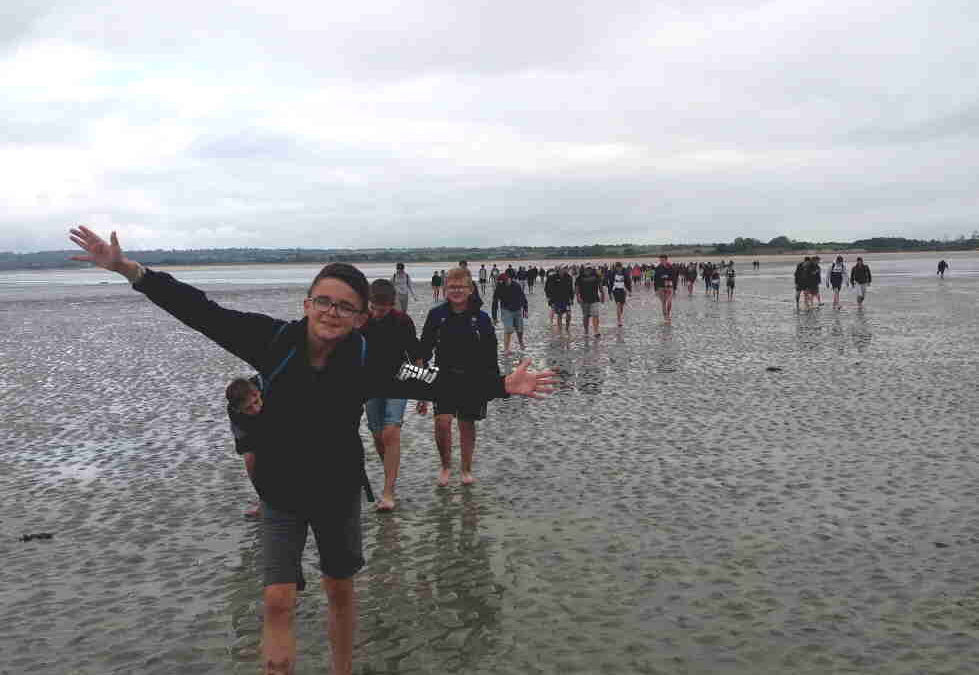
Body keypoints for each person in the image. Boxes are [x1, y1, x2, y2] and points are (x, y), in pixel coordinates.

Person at [68, 226, 555, 675]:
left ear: (361, 316)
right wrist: (129, 269)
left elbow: (433, 380)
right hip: (280, 488)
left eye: (344, 306)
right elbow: (200, 311)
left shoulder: (368, 359)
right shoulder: (273, 340)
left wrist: (501, 385)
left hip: (338, 489)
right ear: (306, 304)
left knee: (339, 592)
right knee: (277, 600)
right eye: (322, 301)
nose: (331, 312)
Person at [417, 267, 500, 487]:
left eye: (461, 287)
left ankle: (466, 468)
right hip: (443, 376)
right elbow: (424, 350)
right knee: (442, 423)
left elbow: (491, 352)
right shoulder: (437, 315)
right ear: (445, 289)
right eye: (452, 287)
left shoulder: (481, 318)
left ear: (470, 289)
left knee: (466, 423)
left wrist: (494, 383)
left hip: (473, 378)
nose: (456, 291)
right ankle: (445, 466)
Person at [361, 279, 420, 512]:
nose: (376, 313)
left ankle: (388, 492)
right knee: (378, 436)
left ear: (392, 304)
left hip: (399, 382)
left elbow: (415, 356)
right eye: (373, 307)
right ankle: (390, 473)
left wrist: (423, 394)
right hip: (369, 385)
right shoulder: (361, 321)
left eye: (382, 309)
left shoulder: (403, 321)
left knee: (391, 431)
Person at [226, 376, 263, 518]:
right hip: (251, 429)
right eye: (248, 408)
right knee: (250, 459)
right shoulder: (236, 416)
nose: (256, 409)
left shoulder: (267, 385)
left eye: (256, 402)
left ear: (258, 393)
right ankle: (264, 501)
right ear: (239, 409)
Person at [491, 273, 529, 353]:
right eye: (504, 282)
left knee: (520, 329)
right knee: (508, 329)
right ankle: (506, 349)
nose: (506, 282)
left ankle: (521, 342)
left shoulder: (516, 285)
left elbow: (523, 297)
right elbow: (495, 302)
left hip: (517, 310)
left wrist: (525, 310)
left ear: (509, 278)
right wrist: (494, 317)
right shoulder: (499, 287)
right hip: (506, 310)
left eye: (507, 280)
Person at [575, 265, 605, 336]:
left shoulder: (596, 276)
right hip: (584, 300)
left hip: (594, 299)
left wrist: (602, 294)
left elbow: (600, 286)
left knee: (595, 315)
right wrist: (577, 297)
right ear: (584, 269)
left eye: (589, 269)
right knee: (586, 316)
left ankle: (596, 331)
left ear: (592, 269)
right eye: (587, 269)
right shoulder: (580, 277)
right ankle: (586, 330)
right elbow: (577, 288)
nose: (588, 270)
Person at [607, 261, 632, 326]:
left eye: (619, 267)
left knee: (622, 306)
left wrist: (630, 291)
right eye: (617, 267)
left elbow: (628, 282)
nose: (618, 269)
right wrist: (609, 293)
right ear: (615, 267)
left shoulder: (625, 273)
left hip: (623, 290)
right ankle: (619, 321)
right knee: (618, 304)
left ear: (621, 267)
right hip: (616, 290)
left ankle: (620, 316)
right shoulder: (613, 273)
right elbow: (610, 283)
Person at [653, 254, 675, 321]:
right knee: (663, 302)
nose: (661, 261)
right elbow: (655, 279)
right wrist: (655, 289)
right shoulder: (658, 268)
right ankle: (665, 316)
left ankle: (668, 313)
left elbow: (674, 277)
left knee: (669, 301)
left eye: (663, 260)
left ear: (666, 260)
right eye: (660, 260)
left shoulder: (671, 267)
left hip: (669, 286)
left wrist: (667, 278)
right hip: (660, 287)